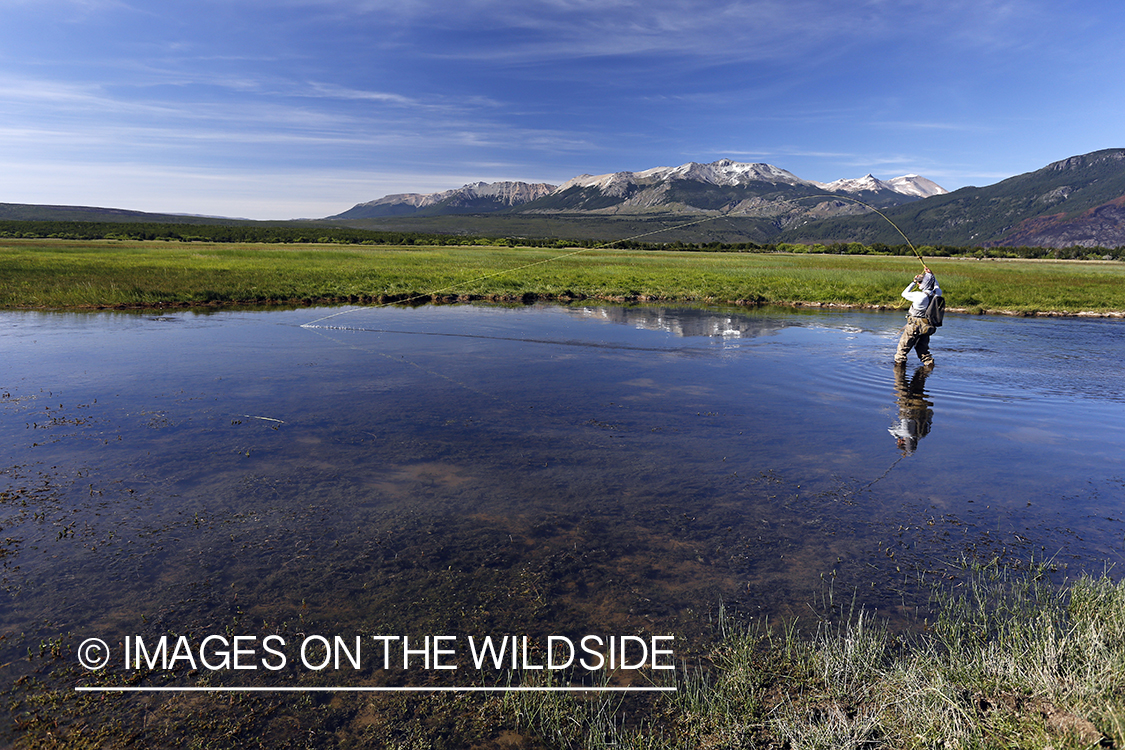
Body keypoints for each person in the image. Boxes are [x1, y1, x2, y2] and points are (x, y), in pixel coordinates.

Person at [894, 267, 940, 367]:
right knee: (922, 348)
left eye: (920, 282)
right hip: (927, 325)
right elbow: (936, 285)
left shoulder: (920, 296)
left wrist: (913, 282)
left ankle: (899, 369)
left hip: (914, 325)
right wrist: (931, 275)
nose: (919, 284)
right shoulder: (937, 293)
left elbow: (904, 294)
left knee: (903, 348)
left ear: (924, 283)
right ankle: (928, 365)